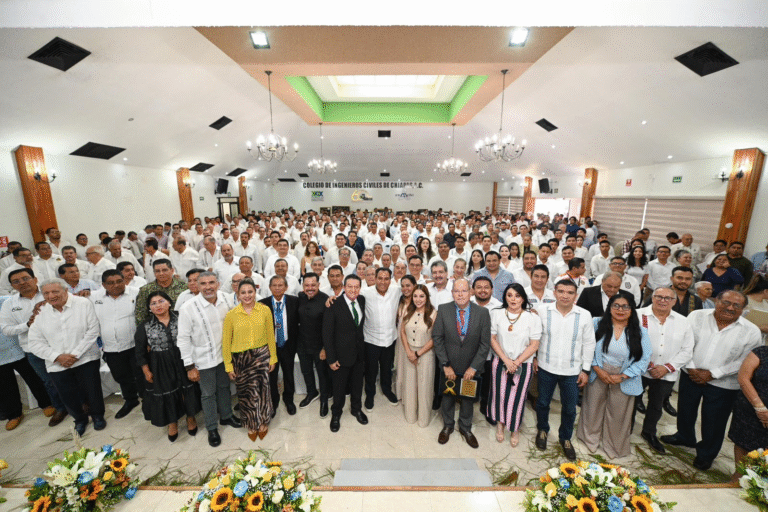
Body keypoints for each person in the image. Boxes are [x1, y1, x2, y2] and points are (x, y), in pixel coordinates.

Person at [661, 290, 762, 470]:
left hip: (724, 384)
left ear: (744, 309)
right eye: (725, 302)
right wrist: (691, 366)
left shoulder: (751, 331)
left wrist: (713, 373)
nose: (730, 308)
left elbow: (745, 361)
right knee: (686, 409)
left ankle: (706, 453)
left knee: (714, 421)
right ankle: (685, 436)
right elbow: (684, 342)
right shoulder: (696, 316)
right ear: (716, 300)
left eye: (736, 305)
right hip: (690, 373)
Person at [27, 279, 105, 436]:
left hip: (85, 358)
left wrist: (74, 355)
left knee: (92, 390)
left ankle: (98, 416)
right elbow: (34, 342)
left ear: (65, 290)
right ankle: (80, 420)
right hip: (57, 364)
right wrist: (57, 357)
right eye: (46, 293)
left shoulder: (83, 303)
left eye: (55, 291)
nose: (51, 296)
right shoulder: (41, 311)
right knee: (67, 395)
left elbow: (92, 330)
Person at [577, 294, 651, 458]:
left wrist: (623, 376)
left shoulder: (641, 331)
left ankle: (613, 447)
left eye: (625, 306)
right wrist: (597, 368)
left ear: (632, 310)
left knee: (619, 414)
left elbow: (644, 359)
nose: (620, 310)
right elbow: (587, 347)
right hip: (598, 372)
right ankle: (589, 440)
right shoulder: (596, 323)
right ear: (609, 308)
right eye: (616, 305)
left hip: (625, 376)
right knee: (592, 407)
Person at [177, 271, 240, 447]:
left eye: (211, 282)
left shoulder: (227, 300)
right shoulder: (188, 308)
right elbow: (183, 339)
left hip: (224, 357)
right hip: (202, 361)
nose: (208, 287)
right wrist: (189, 366)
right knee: (208, 394)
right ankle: (212, 427)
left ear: (218, 284)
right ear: (197, 285)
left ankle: (227, 417)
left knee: (225, 387)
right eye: (203, 283)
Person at [535, 280, 596, 461]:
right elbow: (533, 336)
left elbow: (589, 344)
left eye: (569, 292)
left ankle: (565, 438)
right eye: (561, 291)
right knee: (543, 403)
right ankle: (543, 430)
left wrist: (585, 369)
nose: (565, 295)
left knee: (569, 408)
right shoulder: (541, 311)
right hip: (546, 367)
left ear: (575, 295)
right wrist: (534, 358)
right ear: (554, 292)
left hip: (572, 370)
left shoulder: (584, 315)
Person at [0, 268, 68, 426]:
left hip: (59, 344)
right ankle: (60, 407)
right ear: (12, 285)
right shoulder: (10, 304)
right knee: (48, 381)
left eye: (25, 278)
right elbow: (6, 329)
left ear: (35, 279)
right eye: (16, 281)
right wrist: (27, 325)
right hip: (33, 350)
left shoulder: (49, 293)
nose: (22, 283)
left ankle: (81, 403)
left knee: (70, 375)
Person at [634, 287, 695, 454]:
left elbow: (687, 350)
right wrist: (646, 363)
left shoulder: (683, 322)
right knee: (630, 401)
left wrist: (666, 368)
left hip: (666, 372)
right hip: (638, 369)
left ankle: (649, 432)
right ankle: (623, 430)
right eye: (659, 297)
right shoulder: (638, 315)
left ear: (674, 301)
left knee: (656, 405)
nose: (663, 300)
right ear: (652, 298)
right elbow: (630, 340)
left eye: (667, 298)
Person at [432, 278, 491, 449]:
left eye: (464, 290)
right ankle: (448, 425)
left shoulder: (482, 313)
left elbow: (484, 344)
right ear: (452, 293)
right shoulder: (444, 310)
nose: (460, 294)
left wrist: (474, 367)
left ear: (470, 292)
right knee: (448, 397)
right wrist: (445, 364)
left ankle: (465, 427)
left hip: (471, 366)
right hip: (449, 365)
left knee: (467, 398)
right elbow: (437, 337)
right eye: (457, 291)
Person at [134, 291, 201, 442]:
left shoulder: (182, 316)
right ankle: (173, 423)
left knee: (188, 389)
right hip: (160, 364)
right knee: (168, 393)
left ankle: (191, 418)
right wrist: (146, 370)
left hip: (184, 359)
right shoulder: (145, 326)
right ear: (149, 308)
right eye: (153, 303)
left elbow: (195, 336)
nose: (158, 305)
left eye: (161, 301)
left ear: (170, 302)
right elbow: (140, 351)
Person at [222, 279, 276, 441]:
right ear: (237, 295)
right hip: (241, 360)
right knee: (246, 393)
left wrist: (273, 358)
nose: (247, 296)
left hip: (261, 356)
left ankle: (263, 422)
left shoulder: (264, 310)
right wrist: (228, 366)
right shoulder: (231, 315)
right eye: (243, 293)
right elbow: (226, 341)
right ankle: (251, 423)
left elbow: (270, 336)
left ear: (255, 292)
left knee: (263, 391)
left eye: (250, 292)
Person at [488, 283, 541, 447]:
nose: (513, 299)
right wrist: (505, 360)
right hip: (500, 361)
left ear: (523, 298)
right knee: (499, 394)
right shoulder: (497, 314)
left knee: (517, 398)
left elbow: (534, 345)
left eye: (517, 296)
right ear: (505, 296)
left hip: (522, 365)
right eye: (510, 295)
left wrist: (516, 362)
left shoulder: (532, 317)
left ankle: (515, 428)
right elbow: (492, 339)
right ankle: (500, 424)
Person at [90, 269, 143, 419]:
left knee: (141, 375)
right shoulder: (94, 297)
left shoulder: (136, 293)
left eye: (119, 281)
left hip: (134, 345)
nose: (116, 285)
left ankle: (149, 401)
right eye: (111, 283)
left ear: (124, 280)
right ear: (103, 285)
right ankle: (130, 400)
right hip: (111, 347)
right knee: (121, 376)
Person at [0, 295, 53, 430]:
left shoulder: (5, 301)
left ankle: (46, 404)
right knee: (5, 386)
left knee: (34, 378)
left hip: (18, 349)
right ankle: (14, 414)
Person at [323, 274, 368, 432]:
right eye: (350, 286)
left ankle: (356, 409)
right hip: (340, 357)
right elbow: (327, 334)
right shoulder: (333, 304)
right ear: (343, 287)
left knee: (357, 386)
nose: (353, 290)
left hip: (359, 354)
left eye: (356, 287)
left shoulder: (361, 300)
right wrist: (331, 358)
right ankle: (336, 414)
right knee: (339, 388)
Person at [360, 267, 401, 410]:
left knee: (387, 368)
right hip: (371, 340)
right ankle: (370, 395)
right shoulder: (365, 292)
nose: (383, 281)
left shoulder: (396, 290)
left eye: (386, 278)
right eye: (380, 278)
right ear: (375, 279)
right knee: (371, 370)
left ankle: (387, 390)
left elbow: (414, 287)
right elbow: (348, 295)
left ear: (390, 280)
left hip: (390, 339)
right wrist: (331, 298)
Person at [260, 275, 300, 416]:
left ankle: (289, 400)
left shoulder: (295, 301)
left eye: (280, 285)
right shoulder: (262, 304)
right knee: (272, 376)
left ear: (286, 287)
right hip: (271, 347)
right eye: (274, 285)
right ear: (270, 287)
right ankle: (274, 401)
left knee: (289, 374)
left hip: (288, 345)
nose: (277, 288)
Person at [729, 344, 768, 482]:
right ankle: (739, 476)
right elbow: (743, 378)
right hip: (750, 409)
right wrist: (760, 408)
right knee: (743, 444)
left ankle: (758, 482)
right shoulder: (761, 352)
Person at [399, 284, 437, 427]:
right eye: (415, 296)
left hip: (425, 354)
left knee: (424, 386)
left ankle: (423, 419)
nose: (418, 299)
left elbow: (435, 338)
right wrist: (409, 352)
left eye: (421, 296)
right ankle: (410, 416)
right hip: (409, 353)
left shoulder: (433, 313)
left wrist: (418, 354)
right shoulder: (407, 310)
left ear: (426, 297)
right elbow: (402, 332)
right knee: (409, 387)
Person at [296, 273, 332, 417]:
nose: (310, 288)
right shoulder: (300, 297)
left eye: (313, 285)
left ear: (318, 285)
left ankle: (324, 399)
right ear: (303, 286)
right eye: (307, 285)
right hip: (302, 343)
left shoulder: (326, 300)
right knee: (306, 371)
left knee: (322, 374)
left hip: (319, 346)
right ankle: (312, 393)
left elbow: (328, 328)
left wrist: (325, 348)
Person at [135, 259, 188, 325]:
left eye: (164, 270)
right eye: (157, 271)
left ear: (172, 270)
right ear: (154, 273)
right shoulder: (146, 290)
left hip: (182, 325)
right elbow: (140, 314)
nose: (161, 273)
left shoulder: (184, 287)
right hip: (156, 330)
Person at [395, 275, 417, 402]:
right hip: (400, 339)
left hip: (413, 341)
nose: (405, 289)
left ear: (414, 285)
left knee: (411, 369)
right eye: (402, 286)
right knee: (401, 366)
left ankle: (412, 396)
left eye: (408, 285)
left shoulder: (419, 301)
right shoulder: (400, 300)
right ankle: (401, 394)